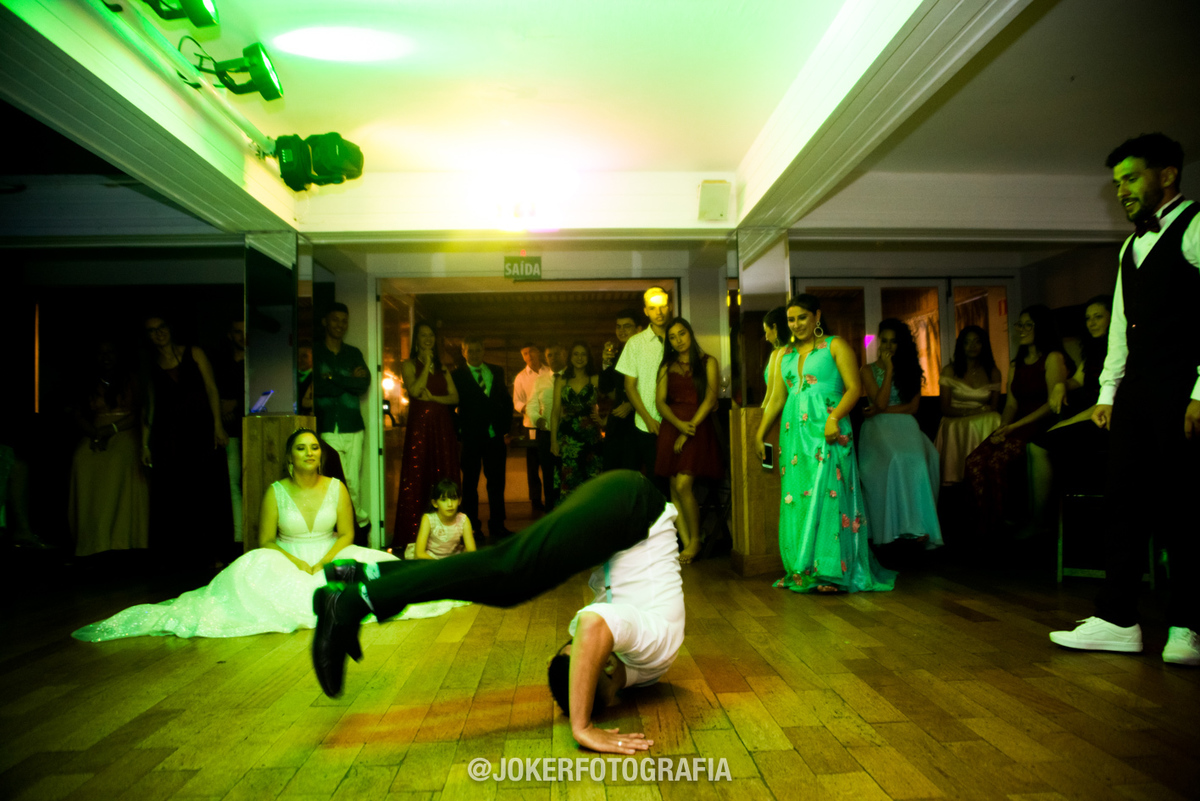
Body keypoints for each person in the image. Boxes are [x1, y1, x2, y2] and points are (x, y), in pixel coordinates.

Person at [311, 470, 682, 755]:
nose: (581, 643)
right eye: (588, 654)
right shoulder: (654, 650)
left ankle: (363, 577)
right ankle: (352, 603)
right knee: (508, 573)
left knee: (505, 577)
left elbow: (595, 633)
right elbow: (593, 625)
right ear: (607, 665)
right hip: (634, 510)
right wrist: (581, 726)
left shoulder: (636, 668)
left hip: (624, 518)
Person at [72, 429, 464, 642]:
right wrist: (295, 562)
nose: (310, 453)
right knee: (262, 577)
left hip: (333, 551)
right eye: (302, 448)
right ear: (290, 457)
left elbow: (347, 533)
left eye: (315, 448)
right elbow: (266, 540)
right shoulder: (275, 492)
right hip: (287, 555)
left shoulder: (336, 488)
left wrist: (325, 560)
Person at [1051, 133, 1200, 666]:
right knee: (1123, 501)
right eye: (1117, 183)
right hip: (1135, 390)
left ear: (1167, 175)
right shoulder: (1129, 247)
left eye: (1131, 178)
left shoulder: (1195, 227)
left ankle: (1189, 625)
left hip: (1183, 388)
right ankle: (1117, 620)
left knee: (1184, 508)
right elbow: (1119, 327)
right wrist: (1107, 393)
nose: (1122, 191)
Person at [753, 295, 895, 594]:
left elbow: (854, 388)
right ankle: (802, 568)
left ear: (816, 316)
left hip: (829, 428)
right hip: (794, 435)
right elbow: (777, 397)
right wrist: (759, 433)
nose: (796, 324)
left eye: (802, 317)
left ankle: (831, 571)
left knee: (831, 495)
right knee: (797, 498)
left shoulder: (835, 345)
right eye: (791, 320)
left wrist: (834, 418)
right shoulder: (784, 354)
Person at [964, 306, 1069, 522]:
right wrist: (1003, 427)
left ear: (1041, 328)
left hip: (1040, 426)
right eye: (1019, 325)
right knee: (974, 461)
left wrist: (1014, 427)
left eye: (1028, 325)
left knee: (996, 463)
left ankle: (1009, 519)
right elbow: (1011, 403)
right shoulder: (1016, 363)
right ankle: (985, 521)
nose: (1021, 329)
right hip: (1017, 425)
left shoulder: (1052, 358)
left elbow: (1051, 405)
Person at [141, 314, 231, 565]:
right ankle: (183, 557)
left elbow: (211, 388)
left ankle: (214, 552)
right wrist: (144, 444)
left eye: (161, 327)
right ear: (147, 337)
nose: (159, 333)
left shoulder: (194, 353)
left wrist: (218, 425)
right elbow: (149, 407)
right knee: (177, 494)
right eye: (152, 330)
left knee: (208, 491)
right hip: (170, 436)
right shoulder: (150, 365)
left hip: (201, 430)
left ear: (170, 329)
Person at [1025, 297, 1112, 537]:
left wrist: (1068, 422)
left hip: (1105, 421)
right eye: (1088, 318)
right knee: (1035, 444)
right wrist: (1060, 385)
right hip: (1090, 415)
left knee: (1039, 446)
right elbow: (1079, 380)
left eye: (1098, 317)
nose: (1091, 323)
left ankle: (1040, 523)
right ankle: (1039, 519)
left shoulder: (1118, 351)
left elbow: (1105, 404)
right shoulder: (1093, 349)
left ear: (1112, 318)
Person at [858, 319, 943, 549]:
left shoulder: (911, 369)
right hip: (877, 428)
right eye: (884, 341)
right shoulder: (867, 370)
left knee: (921, 459)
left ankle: (919, 526)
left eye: (893, 341)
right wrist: (889, 371)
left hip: (906, 425)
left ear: (901, 344)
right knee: (896, 458)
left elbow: (912, 407)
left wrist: (880, 410)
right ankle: (895, 527)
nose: (888, 346)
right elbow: (881, 401)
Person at [70, 339, 148, 557]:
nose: (106, 358)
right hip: (96, 431)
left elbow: (140, 412)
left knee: (117, 460)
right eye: (101, 353)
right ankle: (91, 538)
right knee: (82, 459)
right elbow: (77, 414)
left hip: (124, 429)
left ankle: (118, 537)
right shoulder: (89, 382)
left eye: (110, 352)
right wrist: (95, 433)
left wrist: (111, 430)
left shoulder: (131, 380)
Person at [654, 318, 721, 564]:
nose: (678, 340)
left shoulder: (708, 362)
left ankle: (695, 540)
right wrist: (678, 425)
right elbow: (660, 402)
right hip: (672, 426)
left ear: (690, 333)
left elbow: (710, 399)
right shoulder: (666, 365)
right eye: (672, 337)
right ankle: (684, 543)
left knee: (683, 485)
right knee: (673, 487)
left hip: (698, 425)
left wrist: (688, 428)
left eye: (681, 333)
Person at [393, 322, 460, 551]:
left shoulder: (443, 368)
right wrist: (427, 364)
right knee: (418, 475)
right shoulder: (408, 365)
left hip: (442, 426)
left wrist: (434, 398)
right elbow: (414, 390)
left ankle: (447, 536)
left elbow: (454, 397)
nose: (428, 339)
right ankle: (414, 536)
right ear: (417, 340)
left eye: (431, 335)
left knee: (443, 472)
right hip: (420, 427)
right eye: (423, 335)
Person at [313, 303, 372, 531]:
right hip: (327, 426)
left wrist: (332, 377)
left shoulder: (353, 353)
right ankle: (355, 526)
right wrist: (348, 380)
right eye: (335, 319)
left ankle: (356, 528)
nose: (340, 325)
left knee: (353, 483)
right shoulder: (316, 352)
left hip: (353, 426)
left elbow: (363, 384)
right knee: (332, 483)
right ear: (325, 322)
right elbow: (317, 388)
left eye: (344, 320)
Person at [452, 336, 514, 538]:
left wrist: (504, 427)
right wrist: (459, 430)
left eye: (478, 350)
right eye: (470, 351)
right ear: (463, 352)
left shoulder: (496, 371)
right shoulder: (456, 376)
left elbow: (506, 401)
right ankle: (472, 527)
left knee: (497, 483)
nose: (474, 354)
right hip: (470, 437)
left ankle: (498, 525)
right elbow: (451, 407)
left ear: (483, 350)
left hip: (494, 436)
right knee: (469, 484)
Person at [616, 288, 671, 493]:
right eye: (653, 308)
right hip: (647, 424)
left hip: (677, 420)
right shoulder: (635, 342)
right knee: (654, 482)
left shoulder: (677, 337)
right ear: (646, 311)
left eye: (662, 306)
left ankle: (671, 516)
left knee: (675, 483)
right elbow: (629, 386)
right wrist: (647, 418)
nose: (659, 312)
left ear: (669, 307)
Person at [934, 326, 1002, 484]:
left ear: (984, 345)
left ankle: (988, 472)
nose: (972, 346)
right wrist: (971, 412)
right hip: (955, 419)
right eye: (967, 342)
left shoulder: (992, 372)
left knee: (995, 418)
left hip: (982, 419)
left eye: (977, 342)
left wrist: (980, 412)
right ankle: (961, 474)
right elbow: (944, 408)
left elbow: (994, 407)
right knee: (973, 424)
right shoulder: (950, 371)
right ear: (961, 345)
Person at [551, 341, 604, 503]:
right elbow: (555, 412)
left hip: (591, 437)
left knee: (591, 480)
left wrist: (604, 420)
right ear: (570, 357)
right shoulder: (561, 380)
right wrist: (553, 441)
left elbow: (618, 398)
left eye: (583, 354)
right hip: (567, 438)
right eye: (576, 354)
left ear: (588, 357)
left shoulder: (595, 379)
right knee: (569, 480)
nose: (579, 358)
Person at [600, 309, 642, 472]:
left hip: (640, 419)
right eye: (618, 326)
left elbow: (653, 386)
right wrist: (605, 362)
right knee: (611, 470)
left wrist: (631, 404)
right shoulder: (617, 354)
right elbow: (605, 388)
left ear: (638, 329)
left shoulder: (646, 353)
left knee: (632, 470)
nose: (621, 330)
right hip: (617, 421)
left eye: (627, 326)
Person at [217, 318, 246, 550]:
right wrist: (221, 410)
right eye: (237, 332)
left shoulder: (255, 363)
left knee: (247, 483)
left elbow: (265, 395)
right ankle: (237, 537)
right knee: (231, 484)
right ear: (230, 335)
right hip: (227, 432)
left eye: (245, 332)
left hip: (251, 430)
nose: (242, 336)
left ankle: (248, 535)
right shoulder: (220, 362)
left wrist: (234, 405)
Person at [529, 343, 568, 510]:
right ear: (546, 358)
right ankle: (552, 510)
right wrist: (537, 419)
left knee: (568, 472)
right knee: (548, 473)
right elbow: (531, 405)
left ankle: (570, 510)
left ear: (564, 355)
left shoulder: (573, 377)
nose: (553, 358)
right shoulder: (540, 381)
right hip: (546, 432)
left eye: (557, 354)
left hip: (568, 432)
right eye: (550, 355)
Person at [513, 341, 551, 510]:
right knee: (533, 465)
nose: (529, 356)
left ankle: (552, 497)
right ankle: (535, 500)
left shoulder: (549, 371)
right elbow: (517, 401)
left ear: (539, 352)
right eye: (525, 353)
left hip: (550, 423)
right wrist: (530, 410)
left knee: (550, 461)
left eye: (531, 351)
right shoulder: (520, 377)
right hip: (531, 425)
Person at [403, 478, 476, 560]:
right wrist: (441, 565)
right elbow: (419, 553)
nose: (450, 504)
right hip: (430, 558)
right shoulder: (428, 519)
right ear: (435, 503)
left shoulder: (463, 519)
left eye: (453, 499)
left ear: (459, 501)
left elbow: (472, 550)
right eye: (443, 500)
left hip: (451, 558)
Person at [761, 305, 788, 408]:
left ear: (775, 327)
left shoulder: (777, 354)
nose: (766, 337)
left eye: (766, 331)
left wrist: (762, 412)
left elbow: (771, 395)